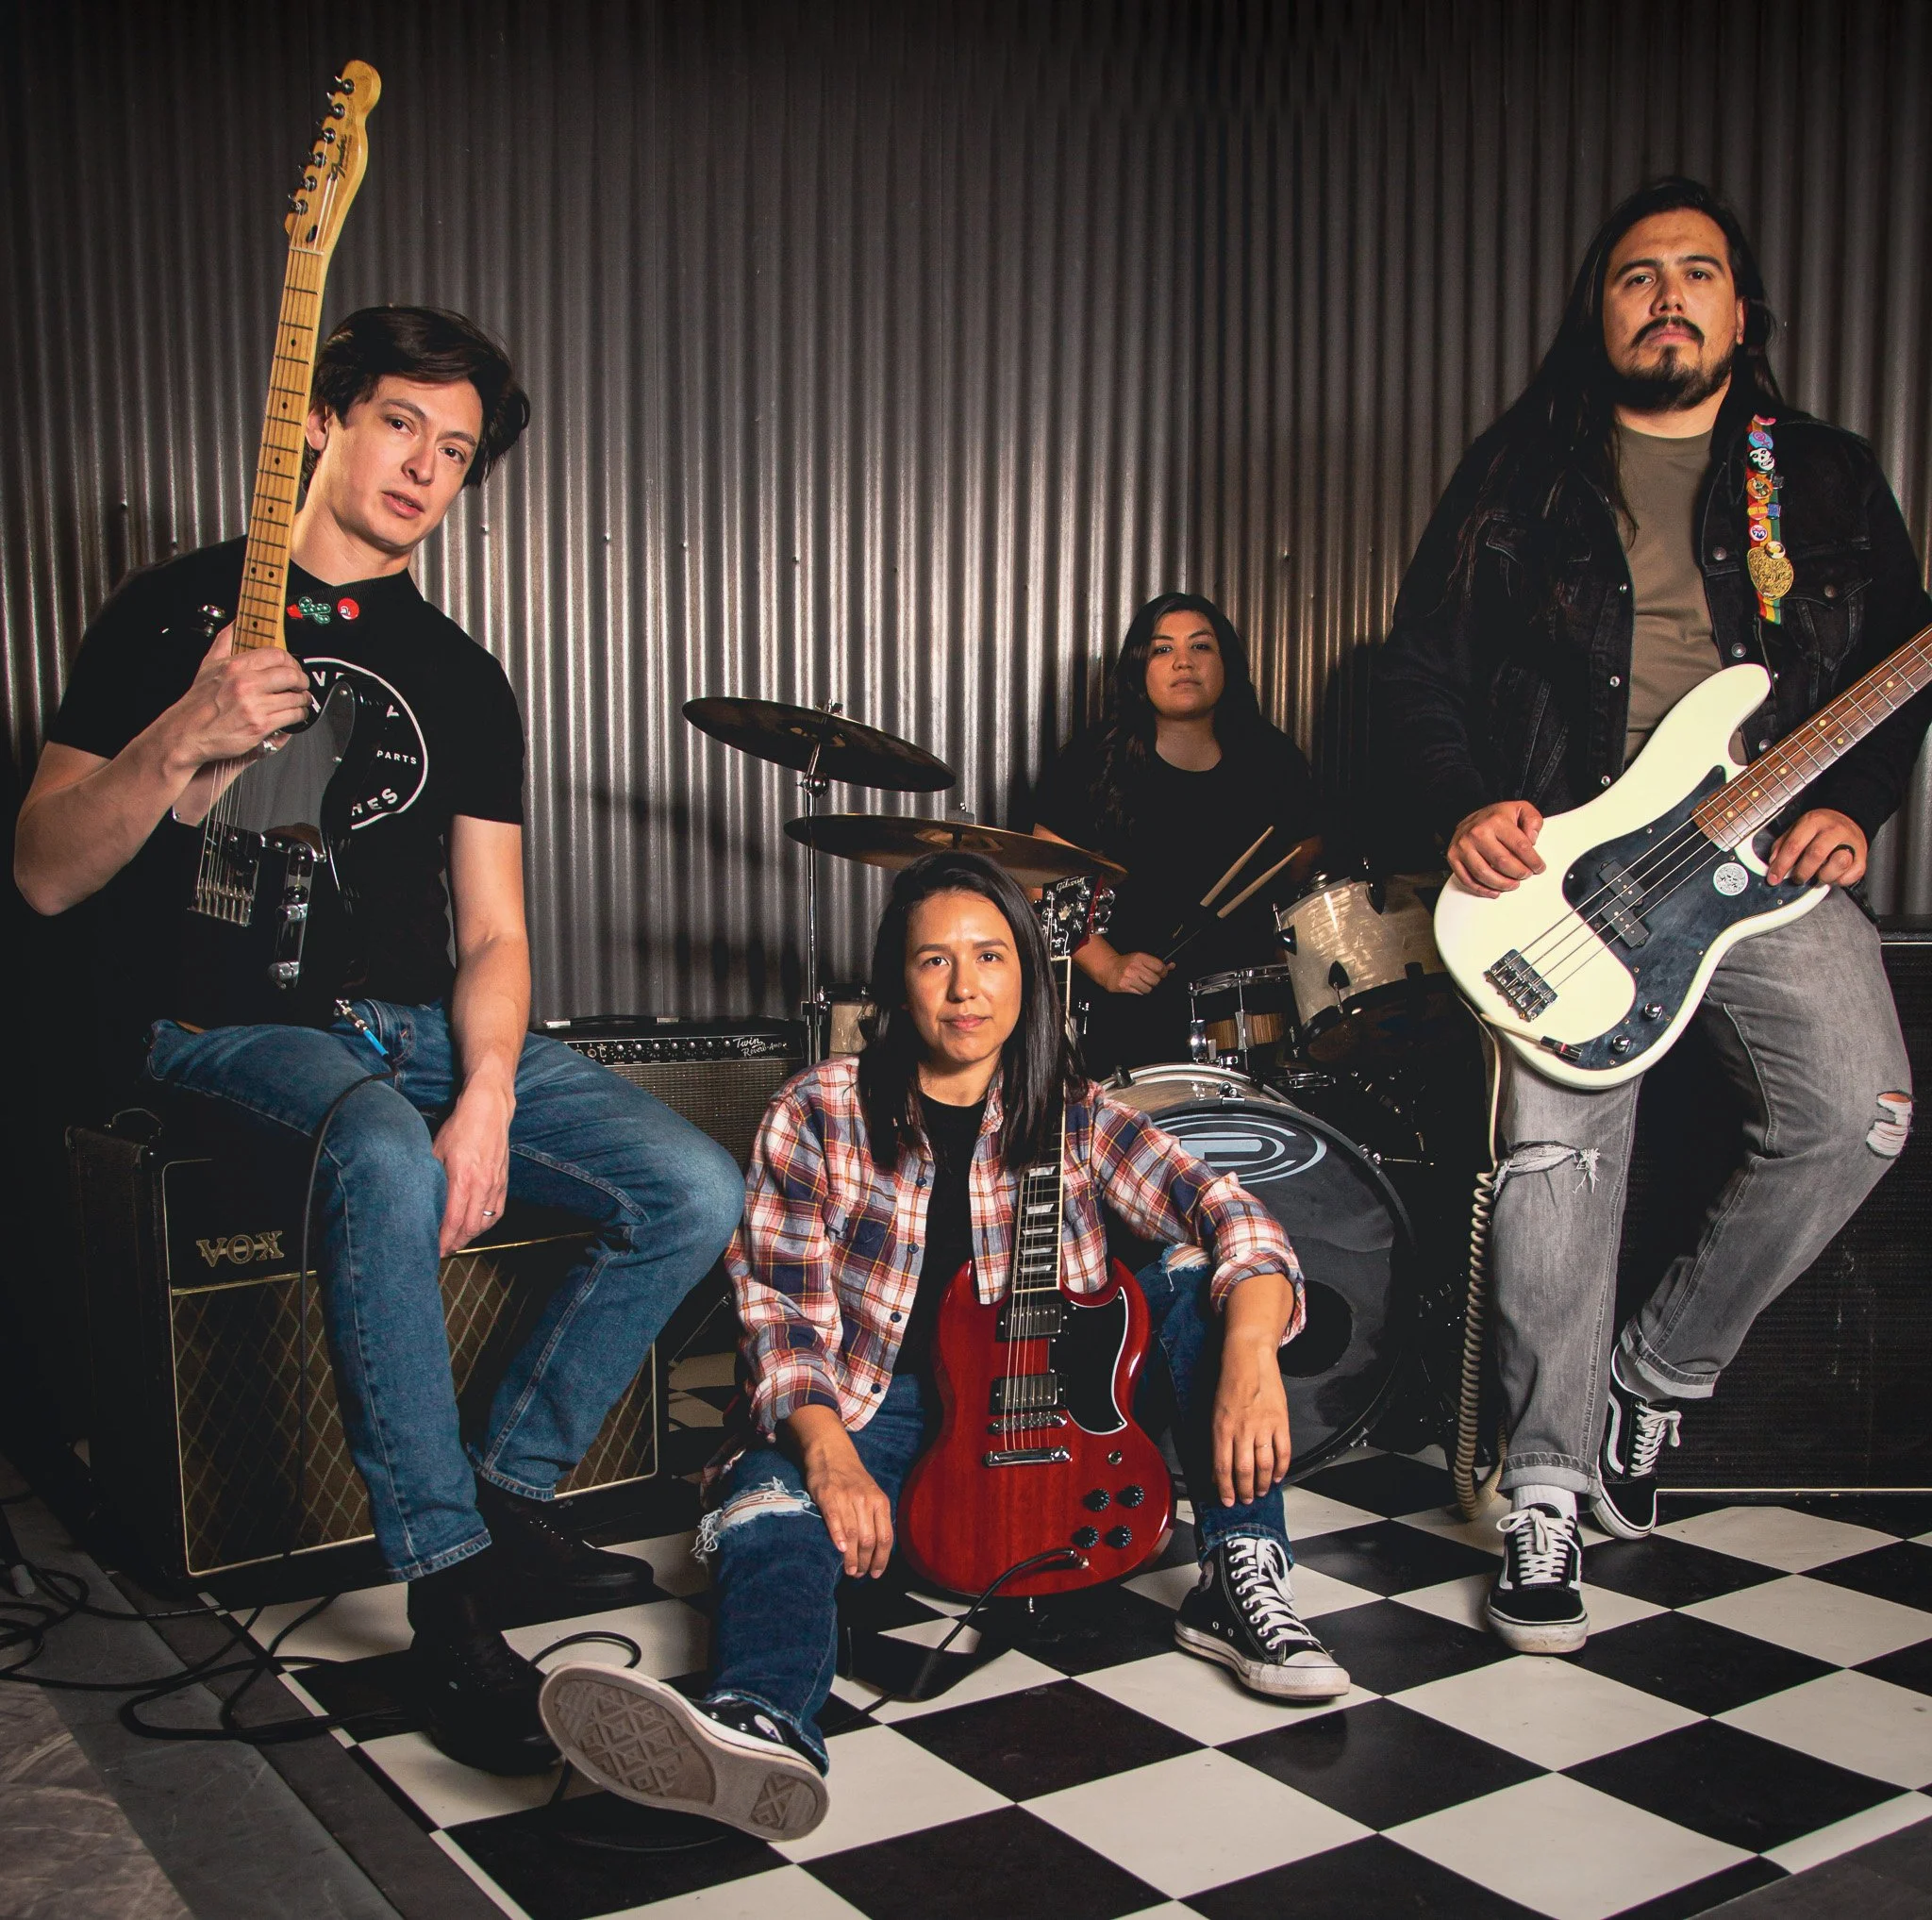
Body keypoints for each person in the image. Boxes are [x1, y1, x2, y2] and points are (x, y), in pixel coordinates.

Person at [14, 307, 744, 1770]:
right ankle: (450, 1591)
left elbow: (495, 933)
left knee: (693, 1188)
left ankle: (508, 1491)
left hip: (420, 1027)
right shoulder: (172, 615)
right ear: (323, 420)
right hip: (226, 1025)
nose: (426, 464)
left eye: (457, 448)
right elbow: (40, 869)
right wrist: (185, 733)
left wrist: (484, 1087)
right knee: (380, 1153)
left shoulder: (465, 674)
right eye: (403, 422)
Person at [1375, 177, 1927, 1652]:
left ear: (1744, 312)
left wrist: (1850, 803)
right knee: (1558, 1147)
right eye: (1636, 275)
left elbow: (1891, 665)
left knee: (1860, 1112)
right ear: (1598, 308)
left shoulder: (1818, 473)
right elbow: (1419, 667)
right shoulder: (1521, 471)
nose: (1667, 295)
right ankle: (1547, 1480)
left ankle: (1654, 1377)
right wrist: (1465, 805)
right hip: (1574, 859)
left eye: (1697, 272)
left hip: (1761, 856)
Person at [537, 851, 1346, 1839]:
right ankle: (760, 1721)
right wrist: (828, 1458)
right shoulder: (818, 1110)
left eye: (990, 957)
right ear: (894, 981)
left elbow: (1232, 1215)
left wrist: (1253, 1357)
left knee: (1202, 1281)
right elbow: (781, 1322)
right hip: (877, 1409)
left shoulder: (1077, 1114)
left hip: (1050, 1409)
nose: (965, 988)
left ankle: (1239, 1570)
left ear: (1027, 976)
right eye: (933, 961)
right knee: (766, 1499)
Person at [1032, 593, 1321, 1073]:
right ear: (1140, 668)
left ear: (1226, 663)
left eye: (1201, 647)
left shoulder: (1272, 758)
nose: (1183, 662)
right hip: (1125, 1007)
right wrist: (1107, 967)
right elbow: (1042, 876)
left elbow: (1304, 868)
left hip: (1245, 1013)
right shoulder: (1093, 759)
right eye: (1163, 649)